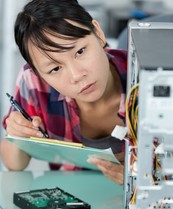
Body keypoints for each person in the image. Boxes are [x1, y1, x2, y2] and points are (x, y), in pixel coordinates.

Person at [1, 0, 127, 185]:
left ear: (98, 33)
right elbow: (14, 165)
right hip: (70, 200)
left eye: (80, 51)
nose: (77, 75)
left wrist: (142, 178)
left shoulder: (144, 77)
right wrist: (18, 135)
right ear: (38, 73)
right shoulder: (33, 82)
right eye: (55, 69)